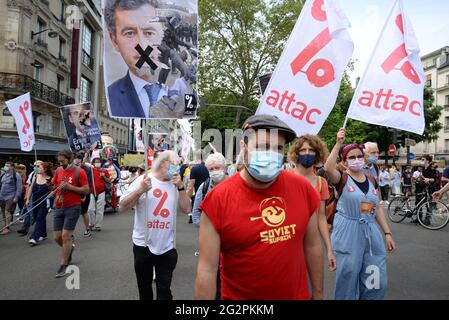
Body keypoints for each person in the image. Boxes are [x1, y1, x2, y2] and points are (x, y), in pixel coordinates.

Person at [195, 115, 323, 300]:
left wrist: (318, 295)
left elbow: (312, 246)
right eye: (262, 146)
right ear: (243, 147)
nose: (271, 153)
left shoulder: (303, 190)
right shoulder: (217, 199)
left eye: (278, 148)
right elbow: (207, 269)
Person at [324, 128, 396, 300]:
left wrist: (387, 233)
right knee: (348, 277)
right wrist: (338, 143)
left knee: (376, 277)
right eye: (351, 157)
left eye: (359, 156)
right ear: (345, 161)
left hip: (370, 232)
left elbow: (376, 206)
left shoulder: (371, 179)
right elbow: (327, 167)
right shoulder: (341, 178)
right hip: (347, 232)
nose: (356, 160)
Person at [119, 150, 191, 300]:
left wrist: (181, 187)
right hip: (143, 244)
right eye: (174, 164)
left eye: (178, 164)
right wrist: (140, 190)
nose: (177, 168)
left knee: (164, 290)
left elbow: (186, 209)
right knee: (144, 289)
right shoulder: (143, 180)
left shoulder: (176, 183)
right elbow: (122, 207)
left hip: (167, 246)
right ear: (163, 163)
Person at [105, 0, 172, 118]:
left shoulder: (184, 90)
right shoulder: (109, 97)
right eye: (130, 33)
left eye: (149, 32)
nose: (142, 45)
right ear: (114, 40)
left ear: (164, 35)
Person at [288, 134, 337, 273]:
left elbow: (321, 217)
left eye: (311, 150)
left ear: (318, 154)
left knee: (311, 286)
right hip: (288, 240)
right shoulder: (285, 178)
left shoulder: (322, 183)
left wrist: (329, 249)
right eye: (303, 150)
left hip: (312, 242)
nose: (307, 153)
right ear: (296, 153)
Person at [191, 152, 228, 299]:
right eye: (211, 169)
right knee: (213, 276)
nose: (214, 172)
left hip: (233, 240)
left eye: (217, 167)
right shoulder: (204, 187)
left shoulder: (236, 184)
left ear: (224, 167)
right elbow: (195, 215)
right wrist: (209, 232)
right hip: (213, 243)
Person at [52, 150, 89, 278]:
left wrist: (70, 187)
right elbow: (54, 184)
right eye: (59, 161)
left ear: (69, 159)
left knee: (66, 236)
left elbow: (86, 189)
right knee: (57, 237)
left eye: (62, 161)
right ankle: (69, 249)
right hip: (58, 206)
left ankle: (63, 263)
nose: (60, 164)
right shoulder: (58, 170)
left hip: (73, 206)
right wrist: (51, 187)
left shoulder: (80, 171)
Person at [26, 162, 53, 246]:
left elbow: (53, 191)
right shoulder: (35, 176)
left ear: (45, 169)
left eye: (39, 167)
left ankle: (34, 237)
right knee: (37, 216)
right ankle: (43, 234)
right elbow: (30, 188)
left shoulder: (50, 179)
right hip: (34, 199)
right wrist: (27, 199)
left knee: (39, 218)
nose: (37, 168)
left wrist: (49, 196)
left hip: (44, 201)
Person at [88, 157, 111, 232]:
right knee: (90, 209)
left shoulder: (104, 171)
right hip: (92, 191)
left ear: (101, 163)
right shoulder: (91, 170)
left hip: (101, 191)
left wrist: (103, 176)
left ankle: (98, 225)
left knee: (100, 209)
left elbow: (109, 181)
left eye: (98, 162)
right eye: (95, 162)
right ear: (93, 163)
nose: (97, 163)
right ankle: (91, 223)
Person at [74, 154, 93, 237]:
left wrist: (84, 195)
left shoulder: (87, 169)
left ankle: (87, 229)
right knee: (72, 212)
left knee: (84, 212)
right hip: (74, 193)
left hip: (84, 193)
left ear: (81, 160)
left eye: (78, 158)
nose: (76, 160)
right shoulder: (71, 169)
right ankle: (69, 233)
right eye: (75, 158)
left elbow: (88, 183)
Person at [0, 162, 22, 235]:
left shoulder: (16, 175)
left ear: (12, 167)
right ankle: (5, 226)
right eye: (5, 165)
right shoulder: (4, 174)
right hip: (2, 196)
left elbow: (19, 188)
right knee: (3, 212)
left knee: (7, 211)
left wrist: (16, 197)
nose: (5, 167)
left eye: (7, 165)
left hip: (10, 196)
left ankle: (7, 228)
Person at [187, 158, 209, 224]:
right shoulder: (208, 168)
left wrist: (188, 198)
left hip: (199, 193)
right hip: (210, 192)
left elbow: (191, 185)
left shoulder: (194, 169)